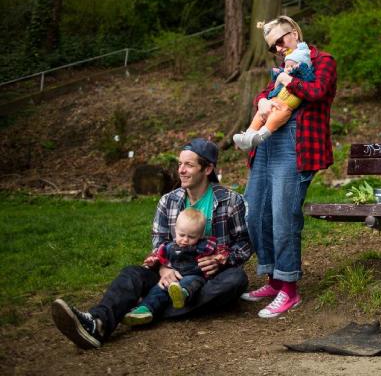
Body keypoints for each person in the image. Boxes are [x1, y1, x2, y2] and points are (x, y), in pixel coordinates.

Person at [51, 138, 252, 349]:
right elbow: (159, 242)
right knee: (132, 274)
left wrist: (221, 261)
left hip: (206, 278)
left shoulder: (230, 201)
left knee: (236, 279)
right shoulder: (168, 201)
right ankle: (97, 323)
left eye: (189, 165)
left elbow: (244, 244)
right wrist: (164, 268)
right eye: (180, 164)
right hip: (171, 274)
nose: (181, 170)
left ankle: (149, 308)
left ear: (208, 168)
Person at [240, 15, 336, 318]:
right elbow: (267, 91)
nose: (279, 49)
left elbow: (318, 91)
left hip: (296, 148)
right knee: (254, 213)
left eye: (281, 41)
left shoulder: (323, 60)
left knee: (283, 217)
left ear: (294, 33)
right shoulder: (285, 65)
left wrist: (288, 80)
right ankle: (273, 279)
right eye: (273, 47)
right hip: (267, 146)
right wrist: (261, 103)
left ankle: (289, 289)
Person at [122, 208, 226, 325]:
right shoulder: (169, 246)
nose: (185, 240)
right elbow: (157, 256)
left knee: (191, 282)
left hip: (194, 275)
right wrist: (152, 261)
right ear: (175, 230)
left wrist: (219, 257)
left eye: (191, 237)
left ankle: (182, 295)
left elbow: (220, 250)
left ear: (200, 235)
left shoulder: (204, 245)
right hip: (173, 277)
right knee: (158, 289)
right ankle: (145, 310)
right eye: (182, 235)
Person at [232, 32, 315, 151]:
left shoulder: (302, 74)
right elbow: (270, 89)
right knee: (260, 116)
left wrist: (298, 70)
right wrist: (264, 100)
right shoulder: (284, 72)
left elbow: (311, 84)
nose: (288, 69)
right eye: (287, 65)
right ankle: (249, 134)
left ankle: (261, 135)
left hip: (286, 107)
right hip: (274, 101)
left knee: (274, 118)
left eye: (292, 66)